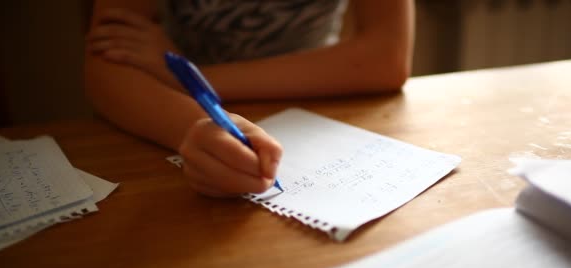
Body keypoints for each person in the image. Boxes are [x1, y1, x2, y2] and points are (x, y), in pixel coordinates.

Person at [84, 0, 415, 197]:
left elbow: (386, 57)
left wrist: (195, 78)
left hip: (313, 101)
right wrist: (191, 126)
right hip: (162, 117)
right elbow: (107, 61)